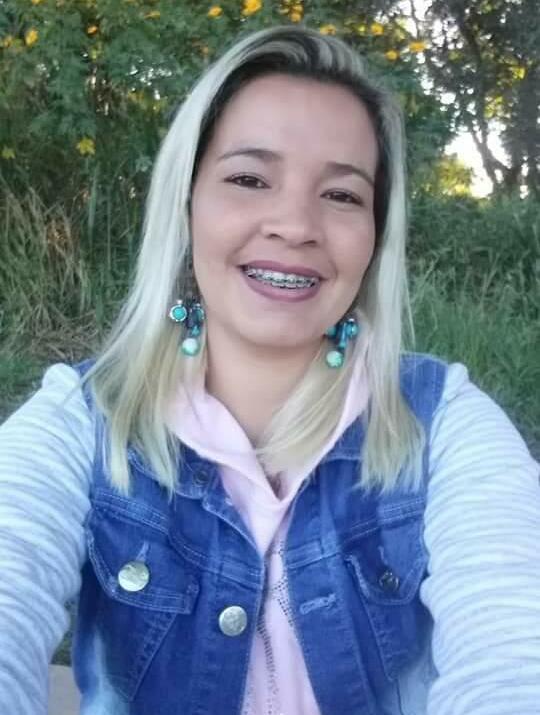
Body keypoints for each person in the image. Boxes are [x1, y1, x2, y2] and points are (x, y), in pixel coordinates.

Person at [0, 25, 538, 715]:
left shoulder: (444, 423)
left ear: (376, 236)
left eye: (342, 195)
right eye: (249, 179)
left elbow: (514, 649)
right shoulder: (81, 420)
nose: (295, 224)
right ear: (186, 203)